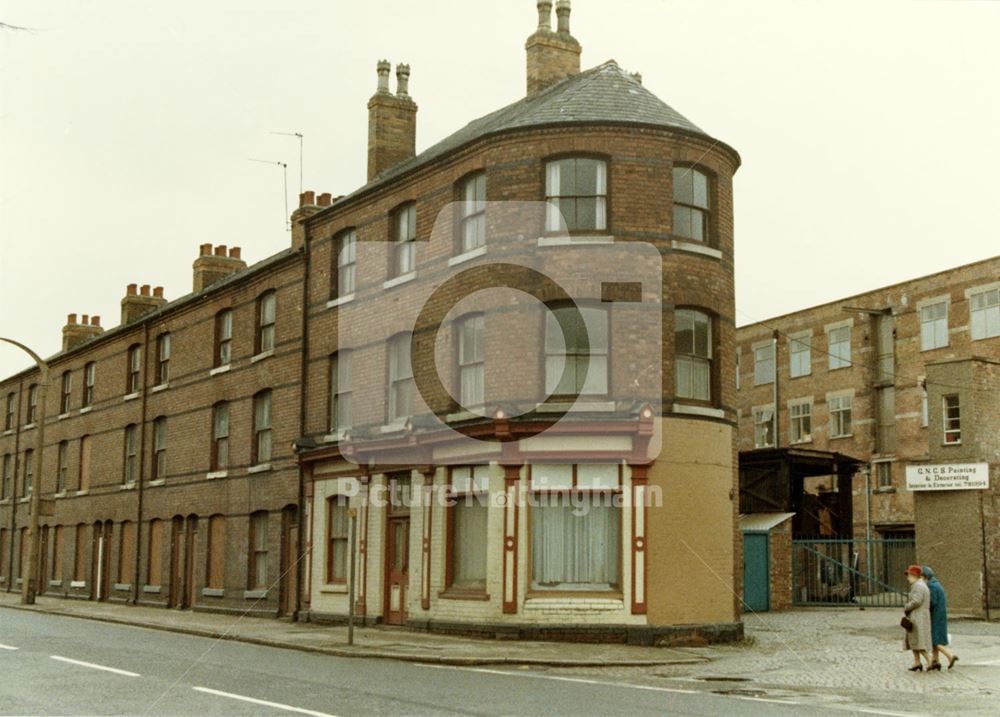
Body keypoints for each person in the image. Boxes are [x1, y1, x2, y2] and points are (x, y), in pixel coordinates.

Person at [922, 566, 959, 670]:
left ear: (925, 577)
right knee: (935, 637)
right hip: (940, 615)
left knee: (934, 640)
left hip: (936, 616)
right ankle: (936, 660)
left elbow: (932, 602)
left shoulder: (932, 586)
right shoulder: (936, 584)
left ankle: (950, 656)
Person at [902, 564, 932, 671]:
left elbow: (916, 601)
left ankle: (929, 660)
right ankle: (917, 662)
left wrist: (906, 606)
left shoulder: (918, 586)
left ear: (914, 575)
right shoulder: (921, 585)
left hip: (917, 616)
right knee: (913, 640)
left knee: (918, 641)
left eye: (909, 575)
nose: (908, 578)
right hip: (919, 616)